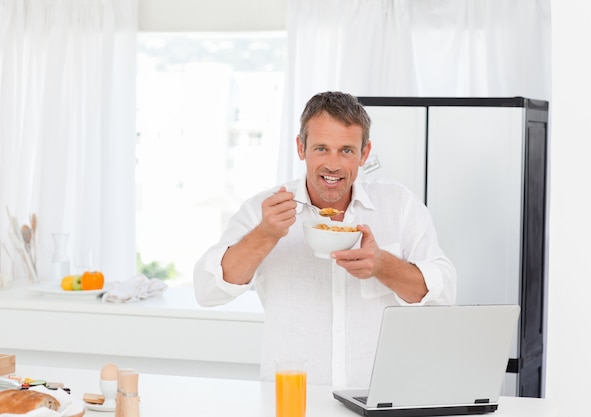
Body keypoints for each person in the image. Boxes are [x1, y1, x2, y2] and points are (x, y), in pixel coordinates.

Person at [194, 91, 456, 388]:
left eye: (346, 150)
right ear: (300, 147)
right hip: (294, 397)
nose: (333, 165)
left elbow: (445, 293)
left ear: (364, 153)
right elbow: (207, 291)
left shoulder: (399, 204)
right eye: (321, 148)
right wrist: (265, 235)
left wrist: (383, 265)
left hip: (380, 395)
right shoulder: (263, 209)